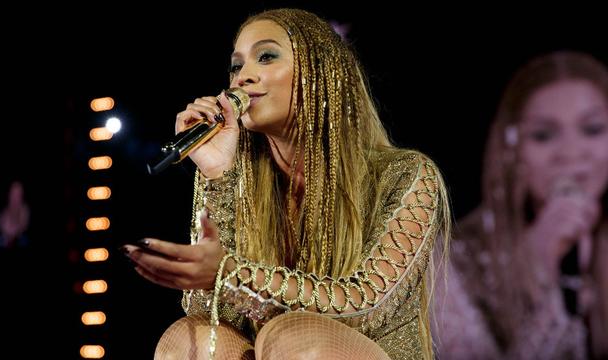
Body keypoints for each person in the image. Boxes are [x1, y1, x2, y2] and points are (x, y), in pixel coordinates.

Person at [121, 8, 450, 359]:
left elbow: (365, 305)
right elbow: (214, 314)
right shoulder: (238, 180)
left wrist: (233, 275)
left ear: (320, 73)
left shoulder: (407, 173)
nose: (242, 78)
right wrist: (218, 174)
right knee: (192, 338)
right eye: (236, 66)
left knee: (290, 335)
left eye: (266, 57)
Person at [433, 51, 608, 359]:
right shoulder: (451, 264)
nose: (570, 152)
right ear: (511, 149)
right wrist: (539, 268)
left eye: (593, 129)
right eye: (543, 135)